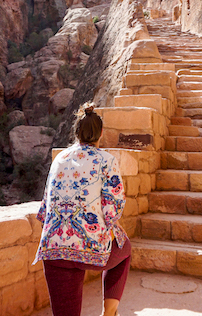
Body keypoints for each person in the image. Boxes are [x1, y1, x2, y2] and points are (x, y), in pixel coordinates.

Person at [34, 103, 130, 316]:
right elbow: (112, 208)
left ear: (76, 132)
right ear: (101, 133)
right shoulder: (106, 160)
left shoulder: (59, 158)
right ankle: (109, 313)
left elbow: (44, 207)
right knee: (125, 249)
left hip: (53, 247)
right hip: (91, 248)